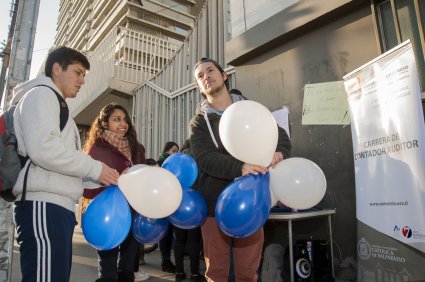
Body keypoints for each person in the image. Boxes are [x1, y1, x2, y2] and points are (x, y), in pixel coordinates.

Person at [12, 46, 119, 282]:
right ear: (56, 69)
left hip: (55, 206)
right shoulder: (42, 95)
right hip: (43, 204)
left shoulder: (58, 105)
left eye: (84, 75)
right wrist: (96, 168)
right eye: (78, 72)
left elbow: (63, 164)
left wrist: (103, 176)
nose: (82, 81)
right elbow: (44, 150)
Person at [189, 58, 291, 282]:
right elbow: (205, 158)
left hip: (251, 202)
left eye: (210, 70)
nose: (206, 76)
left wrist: (280, 151)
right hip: (214, 206)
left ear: (224, 75)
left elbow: (280, 134)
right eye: (200, 76)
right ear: (198, 87)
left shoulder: (252, 109)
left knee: (247, 272)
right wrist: (240, 167)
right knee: (216, 273)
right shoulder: (198, 123)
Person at [82, 103, 149, 282]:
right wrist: (114, 180)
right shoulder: (96, 149)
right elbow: (87, 188)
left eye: (125, 119)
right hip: (108, 217)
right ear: (104, 123)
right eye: (116, 119)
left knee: (128, 269)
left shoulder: (137, 148)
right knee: (108, 271)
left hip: (133, 213)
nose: (123, 123)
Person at [174, 139, 206, 282]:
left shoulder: (178, 159)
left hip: (178, 203)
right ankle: (194, 273)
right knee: (194, 241)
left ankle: (179, 272)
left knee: (179, 240)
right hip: (195, 203)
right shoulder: (201, 157)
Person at [157, 141, 179, 273]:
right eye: (174, 151)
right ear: (167, 150)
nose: (176, 154)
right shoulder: (161, 163)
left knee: (170, 233)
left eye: (177, 151)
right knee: (165, 233)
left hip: (172, 202)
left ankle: (167, 260)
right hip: (162, 203)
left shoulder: (175, 164)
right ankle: (165, 260)